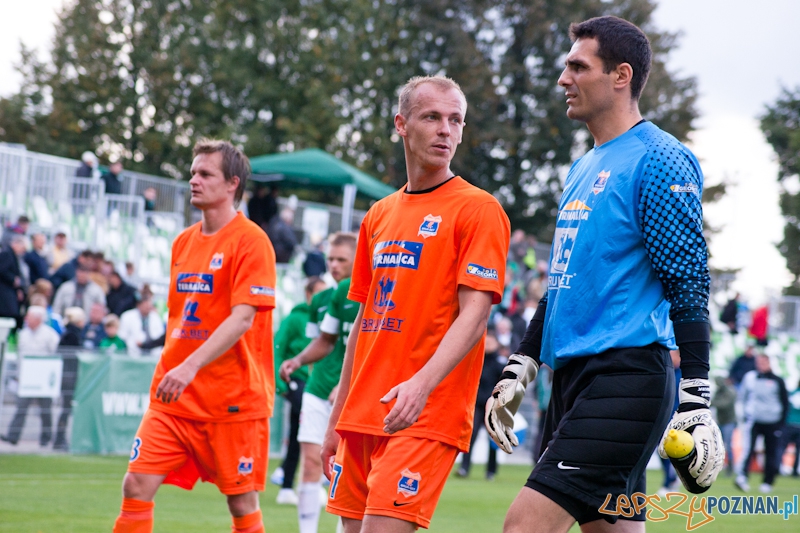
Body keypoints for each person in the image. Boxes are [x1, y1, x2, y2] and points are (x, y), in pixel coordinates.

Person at [484, 17, 724, 532]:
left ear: (621, 75)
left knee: (522, 526)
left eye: (577, 66)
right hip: (573, 378)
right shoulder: (583, 166)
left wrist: (698, 395)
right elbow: (563, 280)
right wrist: (523, 361)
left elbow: (688, 280)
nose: (563, 78)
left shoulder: (661, 159)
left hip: (625, 379)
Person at [320, 75, 510, 533]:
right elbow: (363, 322)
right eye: (432, 117)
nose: (446, 129)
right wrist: (337, 417)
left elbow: (476, 313)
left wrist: (420, 386)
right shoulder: (378, 215)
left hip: (425, 413)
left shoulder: (478, 210)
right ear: (402, 124)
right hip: (363, 412)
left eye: (455, 120)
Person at [112, 139, 276, 533]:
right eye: (192, 174)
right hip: (174, 398)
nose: (193, 181)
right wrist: (177, 367)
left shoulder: (252, 241)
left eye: (205, 174)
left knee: (241, 503)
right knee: (135, 483)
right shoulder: (183, 242)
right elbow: (181, 320)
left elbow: (242, 319)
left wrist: (189, 366)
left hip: (231, 401)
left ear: (232, 183)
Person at [279, 232, 357, 533]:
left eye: (341, 259)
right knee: (312, 462)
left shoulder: (378, 291)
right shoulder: (327, 298)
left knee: (348, 471)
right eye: (331, 259)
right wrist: (298, 360)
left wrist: (346, 385)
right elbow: (322, 342)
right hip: (318, 390)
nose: (334, 265)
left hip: (353, 394)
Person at [271, 276, 328, 506]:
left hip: (318, 384)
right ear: (307, 294)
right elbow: (278, 348)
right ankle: (300, 480)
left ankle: (288, 480)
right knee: (305, 430)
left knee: (301, 431)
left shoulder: (327, 318)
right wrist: (281, 384)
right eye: (318, 292)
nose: (323, 297)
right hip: (298, 381)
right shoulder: (295, 318)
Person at [0, 306, 61, 446]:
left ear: (38, 319)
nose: (27, 319)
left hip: (44, 377)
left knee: (45, 409)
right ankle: (13, 435)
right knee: (21, 407)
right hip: (27, 377)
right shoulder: (23, 334)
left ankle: (46, 438)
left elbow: (56, 353)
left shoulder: (50, 334)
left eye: (30, 317)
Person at [456, 329, 506, 480]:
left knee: (493, 439)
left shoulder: (500, 364)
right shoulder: (478, 360)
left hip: (493, 407)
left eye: (491, 341)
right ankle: (464, 468)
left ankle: (491, 471)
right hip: (476, 405)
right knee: (471, 437)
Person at [734, 354, 789, 493]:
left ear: (769, 363)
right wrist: (745, 414)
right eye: (758, 362)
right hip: (754, 420)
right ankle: (742, 477)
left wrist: (781, 423)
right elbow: (743, 397)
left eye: (764, 362)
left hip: (773, 422)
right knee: (749, 448)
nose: (761, 365)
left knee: (770, 452)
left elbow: (784, 402)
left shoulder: (778, 380)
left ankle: (767, 482)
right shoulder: (750, 378)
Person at [53, 306, 85, 451]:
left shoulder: (67, 333)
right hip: (70, 376)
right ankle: (60, 438)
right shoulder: (73, 335)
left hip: (66, 376)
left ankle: (60, 438)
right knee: (66, 408)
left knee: (66, 408)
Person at [711, 375, 737, 475]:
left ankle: (730, 466)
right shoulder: (720, 391)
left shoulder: (729, 392)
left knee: (728, 445)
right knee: (717, 445)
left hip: (728, 422)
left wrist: (711, 402)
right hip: (721, 421)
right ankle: (718, 466)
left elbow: (724, 404)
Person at [0, 235, 26, 328]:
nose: (23, 250)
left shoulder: (13, 255)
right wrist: (13, 279)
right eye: (22, 247)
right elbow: (2, 269)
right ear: (16, 244)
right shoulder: (7, 254)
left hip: (10, 293)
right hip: (5, 296)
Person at [777, 379, 800, 477]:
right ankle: (795, 471)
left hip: (789, 424)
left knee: (781, 447)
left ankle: (777, 468)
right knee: (798, 451)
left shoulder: (792, 394)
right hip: (797, 424)